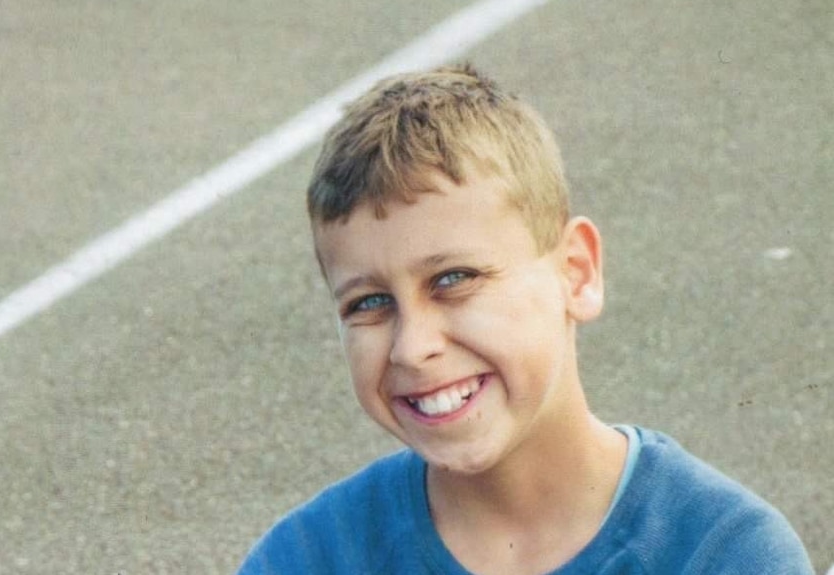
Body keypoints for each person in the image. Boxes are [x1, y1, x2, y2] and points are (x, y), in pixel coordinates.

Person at [237, 64, 813, 574]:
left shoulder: (720, 553)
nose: (412, 347)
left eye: (453, 280)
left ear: (577, 272)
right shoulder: (308, 557)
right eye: (369, 303)